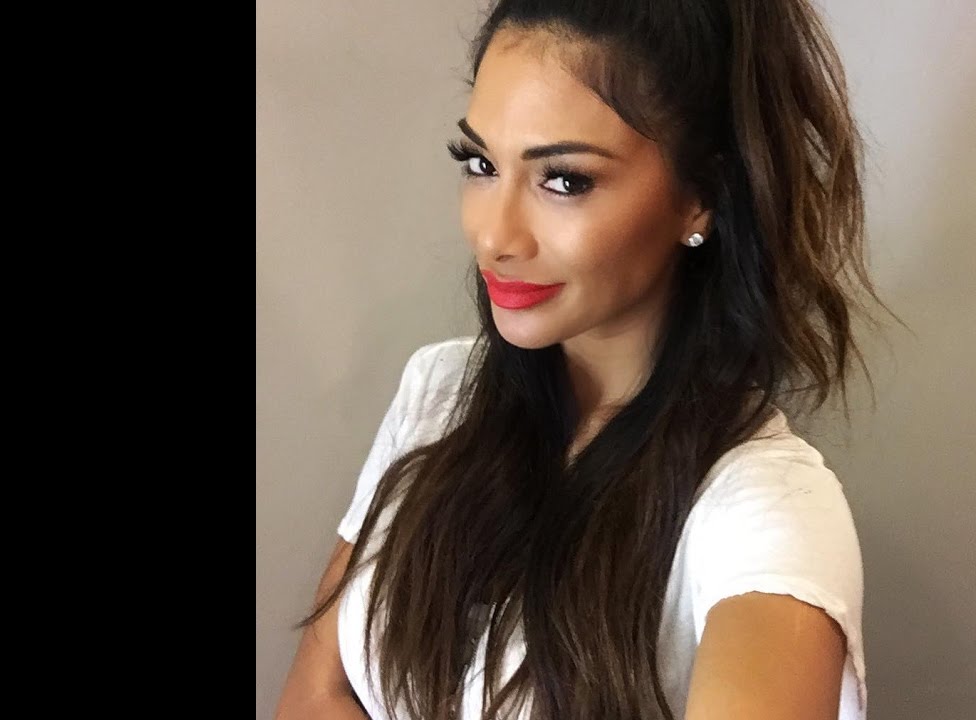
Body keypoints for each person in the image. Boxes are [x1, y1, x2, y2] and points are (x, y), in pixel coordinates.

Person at [276, 0, 890, 717]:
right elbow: (314, 694)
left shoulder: (766, 510)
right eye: (480, 163)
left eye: (564, 179)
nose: (494, 236)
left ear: (702, 197)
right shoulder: (438, 392)